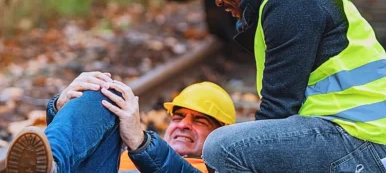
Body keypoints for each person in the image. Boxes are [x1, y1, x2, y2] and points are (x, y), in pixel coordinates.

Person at [186, 0, 386, 172]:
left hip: (364, 141)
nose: (217, 1)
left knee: (222, 147)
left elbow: (276, 112)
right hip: (355, 134)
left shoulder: (292, 4)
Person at [5, 72, 236, 173]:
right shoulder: (124, 155)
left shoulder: (216, 170)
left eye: (200, 120)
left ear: (222, 135)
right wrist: (59, 108)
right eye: (178, 117)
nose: (184, 124)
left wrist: (140, 142)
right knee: (104, 92)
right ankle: (52, 166)